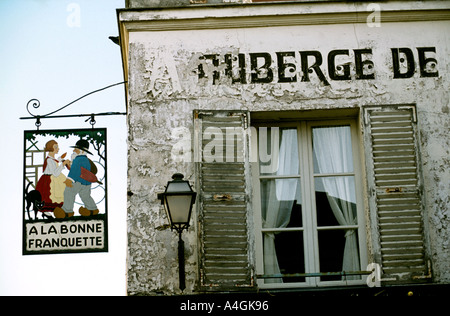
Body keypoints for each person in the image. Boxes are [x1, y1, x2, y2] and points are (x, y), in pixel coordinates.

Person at [54, 139, 99, 219]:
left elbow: (75, 171)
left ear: (82, 151)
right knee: (86, 196)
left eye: (76, 149)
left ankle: (67, 211)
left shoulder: (78, 159)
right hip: (86, 183)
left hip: (77, 182)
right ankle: (92, 209)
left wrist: (69, 180)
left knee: (69, 193)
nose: (74, 150)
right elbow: (79, 169)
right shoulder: (85, 160)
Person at [35, 140, 70, 216]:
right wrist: (63, 164)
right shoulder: (49, 160)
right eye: (56, 147)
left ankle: (58, 211)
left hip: (53, 179)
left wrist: (61, 159)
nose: (58, 149)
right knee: (49, 196)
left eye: (57, 147)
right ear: (51, 148)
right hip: (49, 181)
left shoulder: (52, 159)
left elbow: (56, 161)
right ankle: (46, 211)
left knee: (58, 194)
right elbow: (55, 173)